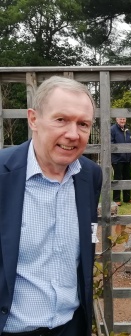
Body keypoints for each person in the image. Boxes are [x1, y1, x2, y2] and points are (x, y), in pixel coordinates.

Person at [0, 76, 102, 336]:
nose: (72, 134)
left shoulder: (90, 176)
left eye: (83, 124)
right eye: (61, 120)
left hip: (70, 327)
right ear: (33, 119)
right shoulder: (3, 174)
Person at [111, 117, 131, 205]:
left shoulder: (127, 130)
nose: (122, 121)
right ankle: (116, 199)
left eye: (124, 119)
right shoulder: (112, 129)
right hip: (117, 159)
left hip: (127, 158)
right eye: (120, 119)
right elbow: (111, 143)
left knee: (127, 178)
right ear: (117, 120)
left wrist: (130, 153)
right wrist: (119, 153)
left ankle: (127, 198)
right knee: (117, 178)